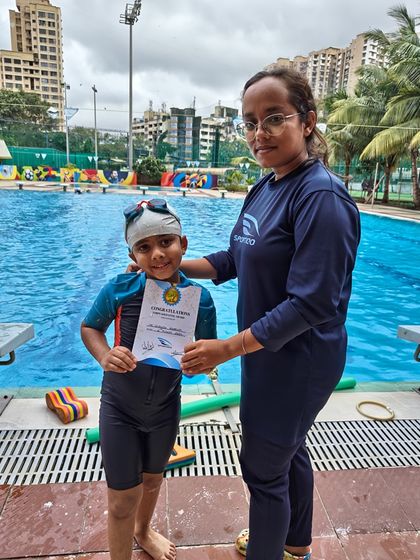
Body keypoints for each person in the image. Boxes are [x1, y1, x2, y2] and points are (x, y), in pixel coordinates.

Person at [180, 68, 360, 560]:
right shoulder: (267, 186)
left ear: (307, 121)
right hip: (267, 351)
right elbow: (236, 258)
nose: (259, 133)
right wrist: (174, 264)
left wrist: (226, 347)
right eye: (250, 122)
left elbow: (312, 303)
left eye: (274, 118)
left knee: (262, 467)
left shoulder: (319, 197)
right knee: (287, 451)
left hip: (299, 360)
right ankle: (295, 545)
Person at [81, 198, 216, 560]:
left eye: (165, 242)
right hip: (119, 408)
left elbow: (207, 354)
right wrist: (104, 355)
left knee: (154, 480)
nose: (157, 254)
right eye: (144, 247)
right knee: (122, 500)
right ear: (132, 253)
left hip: (165, 408)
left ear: (183, 244)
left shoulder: (199, 299)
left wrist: (200, 363)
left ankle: (143, 530)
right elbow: (91, 327)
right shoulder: (119, 289)